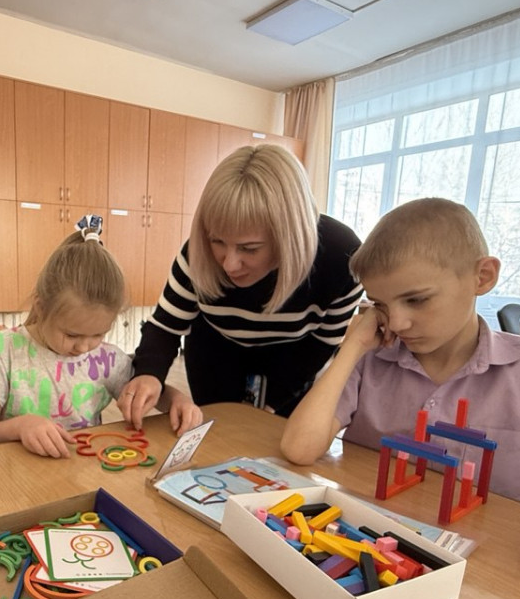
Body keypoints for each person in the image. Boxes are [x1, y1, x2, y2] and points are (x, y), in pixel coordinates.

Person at [280, 198, 520, 580]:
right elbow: (299, 448)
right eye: (380, 305)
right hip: (370, 556)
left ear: (483, 276)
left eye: (417, 299)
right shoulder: (370, 359)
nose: (398, 322)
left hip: (488, 573)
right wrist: (353, 346)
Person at [118, 144, 362, 427]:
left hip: (294, 357)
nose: (229, 264)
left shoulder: (343, 259)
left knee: (274, 437)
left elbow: (321, 345)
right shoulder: (196, 254)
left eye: (249, 248)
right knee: (219, 430)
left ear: (289, 236)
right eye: (217, 241)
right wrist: (149, 373)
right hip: (216, 350)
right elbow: (166, 326)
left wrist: (274, 402)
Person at [0, 216, 202, 458]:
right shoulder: (4, 349)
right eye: (72, 334)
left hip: (81, 469)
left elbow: (145, 389)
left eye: (99, 334)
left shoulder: (107, 359)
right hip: (18, 473)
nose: (84, 347)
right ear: (41, 307)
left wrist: (177, 400)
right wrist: (19, 426)